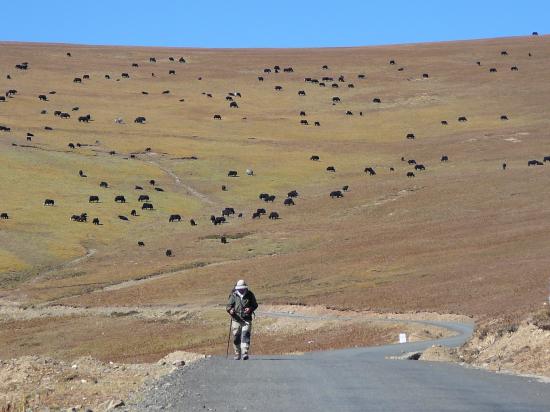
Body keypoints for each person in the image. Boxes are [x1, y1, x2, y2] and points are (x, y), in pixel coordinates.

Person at [226, 279, 258, 360]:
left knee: (245, 335)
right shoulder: (233, 295)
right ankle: (237, 353)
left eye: (242, 288)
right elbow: (228, 306)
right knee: (236, 336)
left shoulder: (250, 294)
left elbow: (255, 305)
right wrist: (230, 310)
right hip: (236, 319)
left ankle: (245, 353)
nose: (241, 290)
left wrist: (250, 309)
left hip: (247, 319)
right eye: (240, 288)